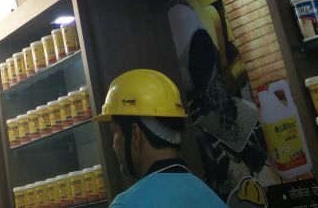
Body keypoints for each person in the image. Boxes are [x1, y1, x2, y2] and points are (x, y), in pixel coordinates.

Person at [96, 68, 228, 206]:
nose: (113, 145)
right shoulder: (212, 199)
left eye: (113, 131)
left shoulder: (127, 204)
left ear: (135, 134)